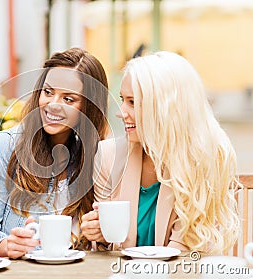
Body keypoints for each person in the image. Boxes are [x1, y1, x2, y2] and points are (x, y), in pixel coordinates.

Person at [81, 51, 240, 255]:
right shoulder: (108, 155)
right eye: (122, 99)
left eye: (132, 102)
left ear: (165, 107)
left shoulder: (207, 157)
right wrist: (100, 234)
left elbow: (185, 247)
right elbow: (111, 244)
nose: (120, 112)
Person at [0, 48, 109, 259]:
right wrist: (5, 246)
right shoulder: (5, 146)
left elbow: (107, 241)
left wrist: (102, 233)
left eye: (69, 99)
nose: (53, 105)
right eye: (48, 92)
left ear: (89, 108)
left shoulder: (98, 155)